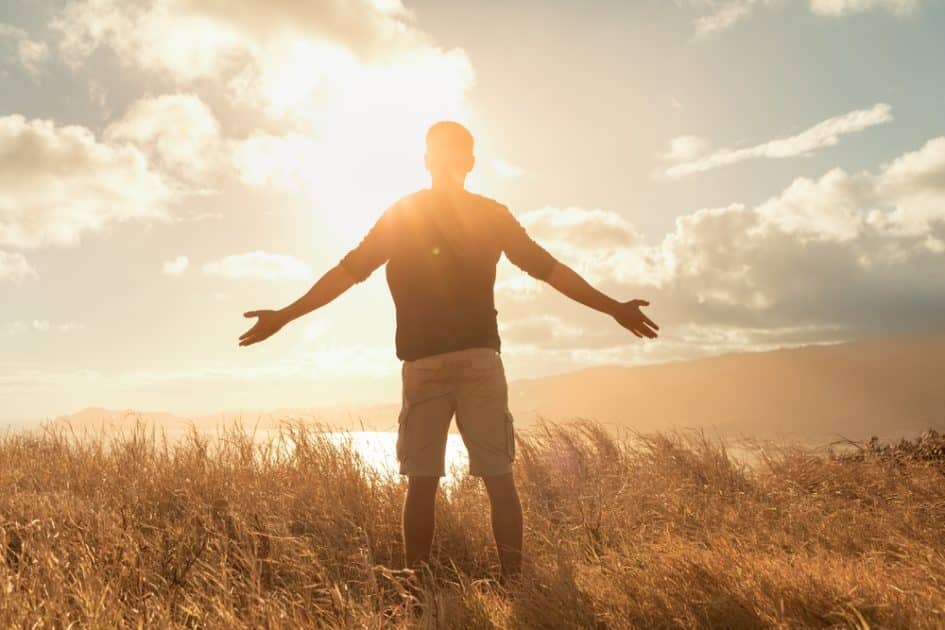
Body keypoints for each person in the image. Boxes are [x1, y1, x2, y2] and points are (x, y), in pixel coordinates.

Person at [238, 121, 658, 580]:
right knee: (500, 482)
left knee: (421, 485)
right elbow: (551, 270)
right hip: (479, 361)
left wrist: (284, 314)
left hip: (422, 364)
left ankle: (417, 587)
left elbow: (346, 273)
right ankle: (514, 588)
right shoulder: (492, 214)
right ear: (471, 163)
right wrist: (613, 307)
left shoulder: (404, 213)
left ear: (426, 161)